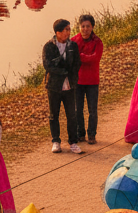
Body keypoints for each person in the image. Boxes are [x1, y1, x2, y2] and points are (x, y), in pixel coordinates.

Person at [42, 18, 82, 153]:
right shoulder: (49, 46)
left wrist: (71, 74)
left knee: (72, 114)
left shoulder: (73, 46)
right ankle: (56, 141)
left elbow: (77, 63)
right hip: (54, 86)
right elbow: (47, 65)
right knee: (54, 114)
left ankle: (73, 142)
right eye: (66, 30)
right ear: (57, 32)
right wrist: (63, 72)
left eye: (69, 29)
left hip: (70, 85)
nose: (68, 32)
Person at [72, 14, 103, 145]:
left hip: (92, 81)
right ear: (79, 27)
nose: (85, 29)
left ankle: (92, 134)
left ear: (92, 27)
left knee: (92, 110)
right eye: (83, 26)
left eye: (88, 26)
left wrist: (80, 57)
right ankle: (80, 134)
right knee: (78, 109)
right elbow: (73, 59)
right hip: (77, 81)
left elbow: (95, 58)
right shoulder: (74, 41)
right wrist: (85, 57)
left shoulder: (97, 42)